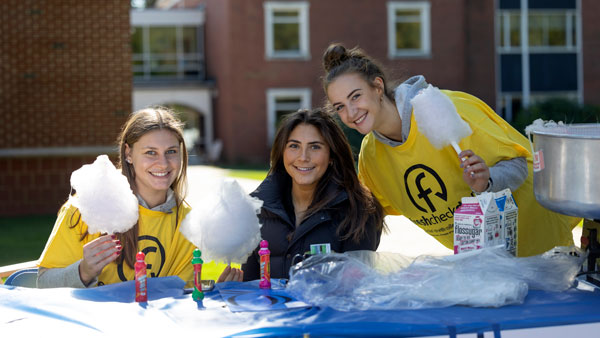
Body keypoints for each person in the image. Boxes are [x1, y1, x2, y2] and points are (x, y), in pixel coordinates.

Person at [321, 43, 580, 258]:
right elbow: (369, 214)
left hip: (543, 250)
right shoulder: (371, 156)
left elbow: (521, 163)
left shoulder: (450, 107)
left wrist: (487, 179)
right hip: (483, 267)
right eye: (340, 106)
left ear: (377, 86)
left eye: (356, 96)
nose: (351, 112)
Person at [37, 107, 230, 287]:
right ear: (129, 154)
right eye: (150, 153)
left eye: (171, 152)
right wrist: (83, 271)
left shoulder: (189, 223)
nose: (163, 163)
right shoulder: (85, 206)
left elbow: (180, 297)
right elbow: (43, 282)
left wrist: (215, 291)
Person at [240, 108, 386, 281]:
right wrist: (230, 287)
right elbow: (249, 287)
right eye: (294, 146)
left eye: (315, 147)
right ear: (282, 152)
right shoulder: (256, 210)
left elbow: (357, 291)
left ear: (332, 154)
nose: (303, 157)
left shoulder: (359, 210)